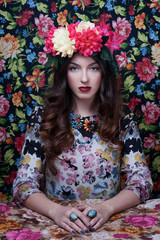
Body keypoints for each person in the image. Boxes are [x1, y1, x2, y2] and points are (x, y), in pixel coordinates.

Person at [13, 21, 153, 235]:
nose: (84, 78)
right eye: (75, 68)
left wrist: (106, 208)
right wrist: (55, 211)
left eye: (93, 68)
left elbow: (142, 181)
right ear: (64, 74)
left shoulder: (122, 118)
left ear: (104, 73)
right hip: (57, 225)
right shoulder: (42, 118)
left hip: (106, 223)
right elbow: (23, 184)